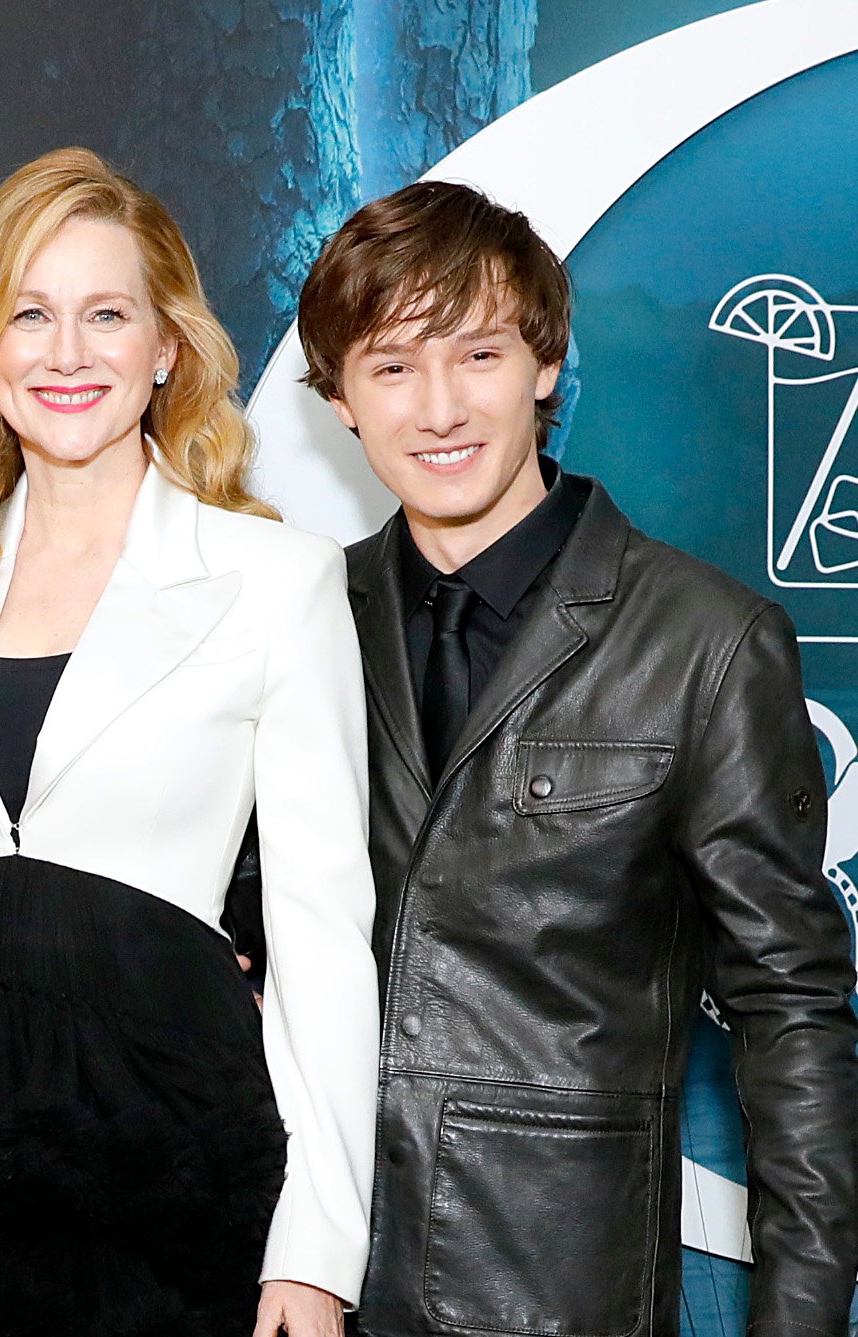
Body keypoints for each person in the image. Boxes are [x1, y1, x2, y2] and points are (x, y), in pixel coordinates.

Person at [0, 147, 378, 1337]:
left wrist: (315, 1251)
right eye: (29, 314)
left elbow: (322, 940)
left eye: (105, 315)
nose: (64, 352)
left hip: (163, 1159)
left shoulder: (274, 579)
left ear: (164, 348)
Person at [295, 180, 858, 1335]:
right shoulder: (298, 618)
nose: (439, 407)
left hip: (558, 1290)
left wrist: (798, 1319)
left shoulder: (701, 639)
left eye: (478, 354)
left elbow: (788, 1004)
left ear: (543, 365)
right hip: (306, 1276)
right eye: (392, 366)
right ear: (339, 399)